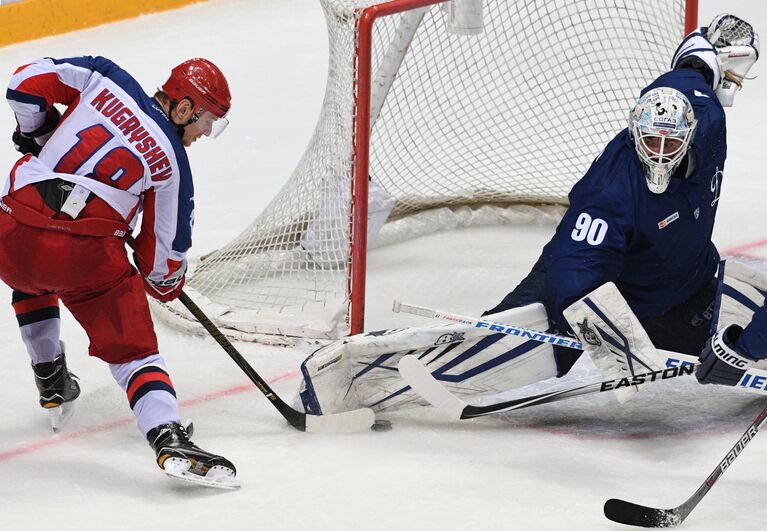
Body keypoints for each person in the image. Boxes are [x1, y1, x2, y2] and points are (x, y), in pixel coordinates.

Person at [294, 13, 762, 415]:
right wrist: (622, 350)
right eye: (650, 141)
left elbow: (691, 69)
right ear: (634, 130)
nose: (659, 152)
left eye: (671, 143)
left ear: (693, 131)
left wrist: (709, 52)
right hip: (602, 292)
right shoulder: (611, 191)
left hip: (686, 284)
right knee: (478, 357)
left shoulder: (708, 119)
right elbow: (575, 273)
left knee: (750, 340)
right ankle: (348, 378)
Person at [0, 56, 237, 488]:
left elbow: (23, 82)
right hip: (84, 261)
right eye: (204, 121)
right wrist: (165, 282)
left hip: (10, 230)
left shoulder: (104, 76)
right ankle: (166, 434)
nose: (203, 134)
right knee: (134, 353)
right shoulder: (172, 165)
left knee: (28, 275)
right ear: (182, 108)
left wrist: (38, 133)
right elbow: (164, 264)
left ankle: (50, 377)